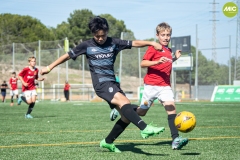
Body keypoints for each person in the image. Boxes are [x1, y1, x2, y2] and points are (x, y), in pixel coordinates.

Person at [40, 16, 165, 153]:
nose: (100, 38)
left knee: (126, 116)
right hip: (101, 84)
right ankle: (144, 128)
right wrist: (48, 68)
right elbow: (67, 56)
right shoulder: (86, 46)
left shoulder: (114, 42)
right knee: (125, 102)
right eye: (97, 36)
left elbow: (134, 43)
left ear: (107, 32)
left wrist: (151, 43)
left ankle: (108, 141)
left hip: (113, 83)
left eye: (103, 35)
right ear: (93, 33)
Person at [110, 22, 188, 150]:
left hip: (165, 86)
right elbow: (143, 63)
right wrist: (157, 61)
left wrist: (174, 59)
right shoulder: (153, 48)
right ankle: (121, 109)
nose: (166, 37)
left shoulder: (169, 50)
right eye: (163, 35)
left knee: (171, 108)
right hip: (151, 86)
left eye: (168, 35)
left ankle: (175, 139)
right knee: (141, 112)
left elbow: (166, 63)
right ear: (157, 35)